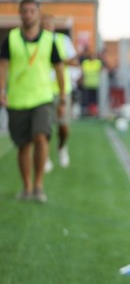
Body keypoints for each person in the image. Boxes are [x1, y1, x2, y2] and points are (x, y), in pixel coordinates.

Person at [0, 0, 64, 202]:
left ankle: (39, 185)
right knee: (23, 145)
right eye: (24, 11)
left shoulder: (49, 39)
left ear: (38, 13)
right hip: (18, 99)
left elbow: (59, 67)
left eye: (31, 11)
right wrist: (2, 90)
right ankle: (27, 187)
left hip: (42, 97)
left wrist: (62, 95)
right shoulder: (11, 39)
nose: (28, 14)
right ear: (20, 13)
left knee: (40, 137)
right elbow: (3, 66)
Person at [41, 13, 78, 171]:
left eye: (49, 25)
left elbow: (74, 61)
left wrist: (57, 59)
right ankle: (45, 156)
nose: (47, 28)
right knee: (44, 127)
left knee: (63, 126)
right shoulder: (37, 42)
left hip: (62, 89)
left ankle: (62, 147)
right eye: (44, 25)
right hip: (43, 90)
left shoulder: (63, 40)